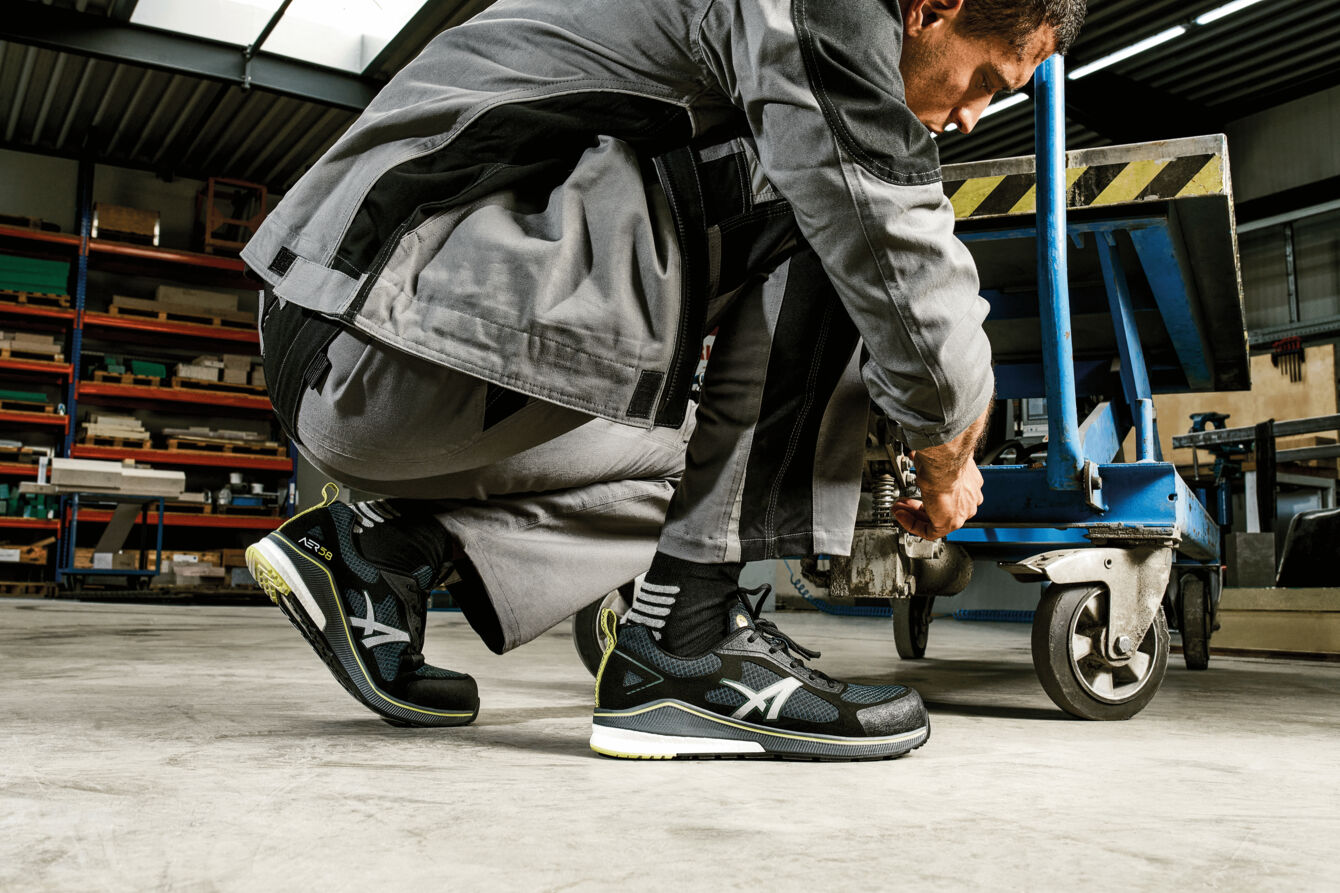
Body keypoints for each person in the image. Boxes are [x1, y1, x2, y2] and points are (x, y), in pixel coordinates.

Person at [242, 0, 1084, 760]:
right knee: (833, 201)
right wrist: (950, 449)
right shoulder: (823, 9)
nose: (974, 115)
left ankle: (381, 551)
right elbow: (893, 241)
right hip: (378, 321)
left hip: (369, 337)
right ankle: (688, 643)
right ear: (933, 9)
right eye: (984, 79)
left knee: (709, 478)